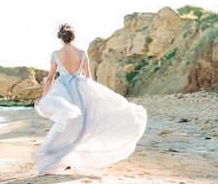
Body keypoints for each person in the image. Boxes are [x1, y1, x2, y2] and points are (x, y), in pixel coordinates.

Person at [34, 23, 147, 175]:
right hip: (82, 90)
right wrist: (94, 95)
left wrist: (44, 98)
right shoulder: (82, 53)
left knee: (68, 123)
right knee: (82, 126)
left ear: (61, 38)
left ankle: (61, 159)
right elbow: (89, 77)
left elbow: (50, 78)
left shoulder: (56, 53)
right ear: (73, 37)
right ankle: (68, 159)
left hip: (64, 90)